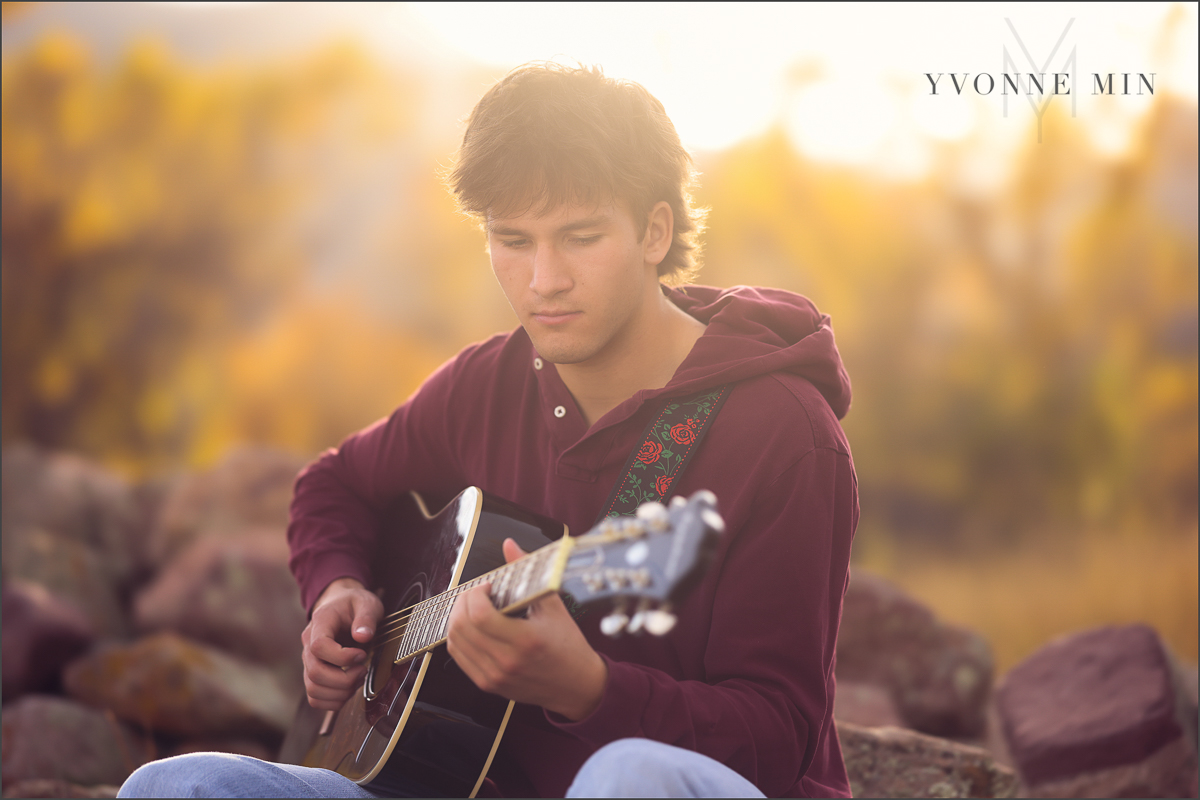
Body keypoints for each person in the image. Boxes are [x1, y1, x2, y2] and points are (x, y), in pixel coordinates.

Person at [119, 62, 857, 798]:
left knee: (627, 776)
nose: (543, 280)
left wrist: (592, 691)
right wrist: (336, 589)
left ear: (654, 232)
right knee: (171, 787)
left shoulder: (783, 433)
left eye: (580, 237)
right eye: (512, 240)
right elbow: (335, 482)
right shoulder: (488, 385)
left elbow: (778, 736)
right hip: (459, 784)